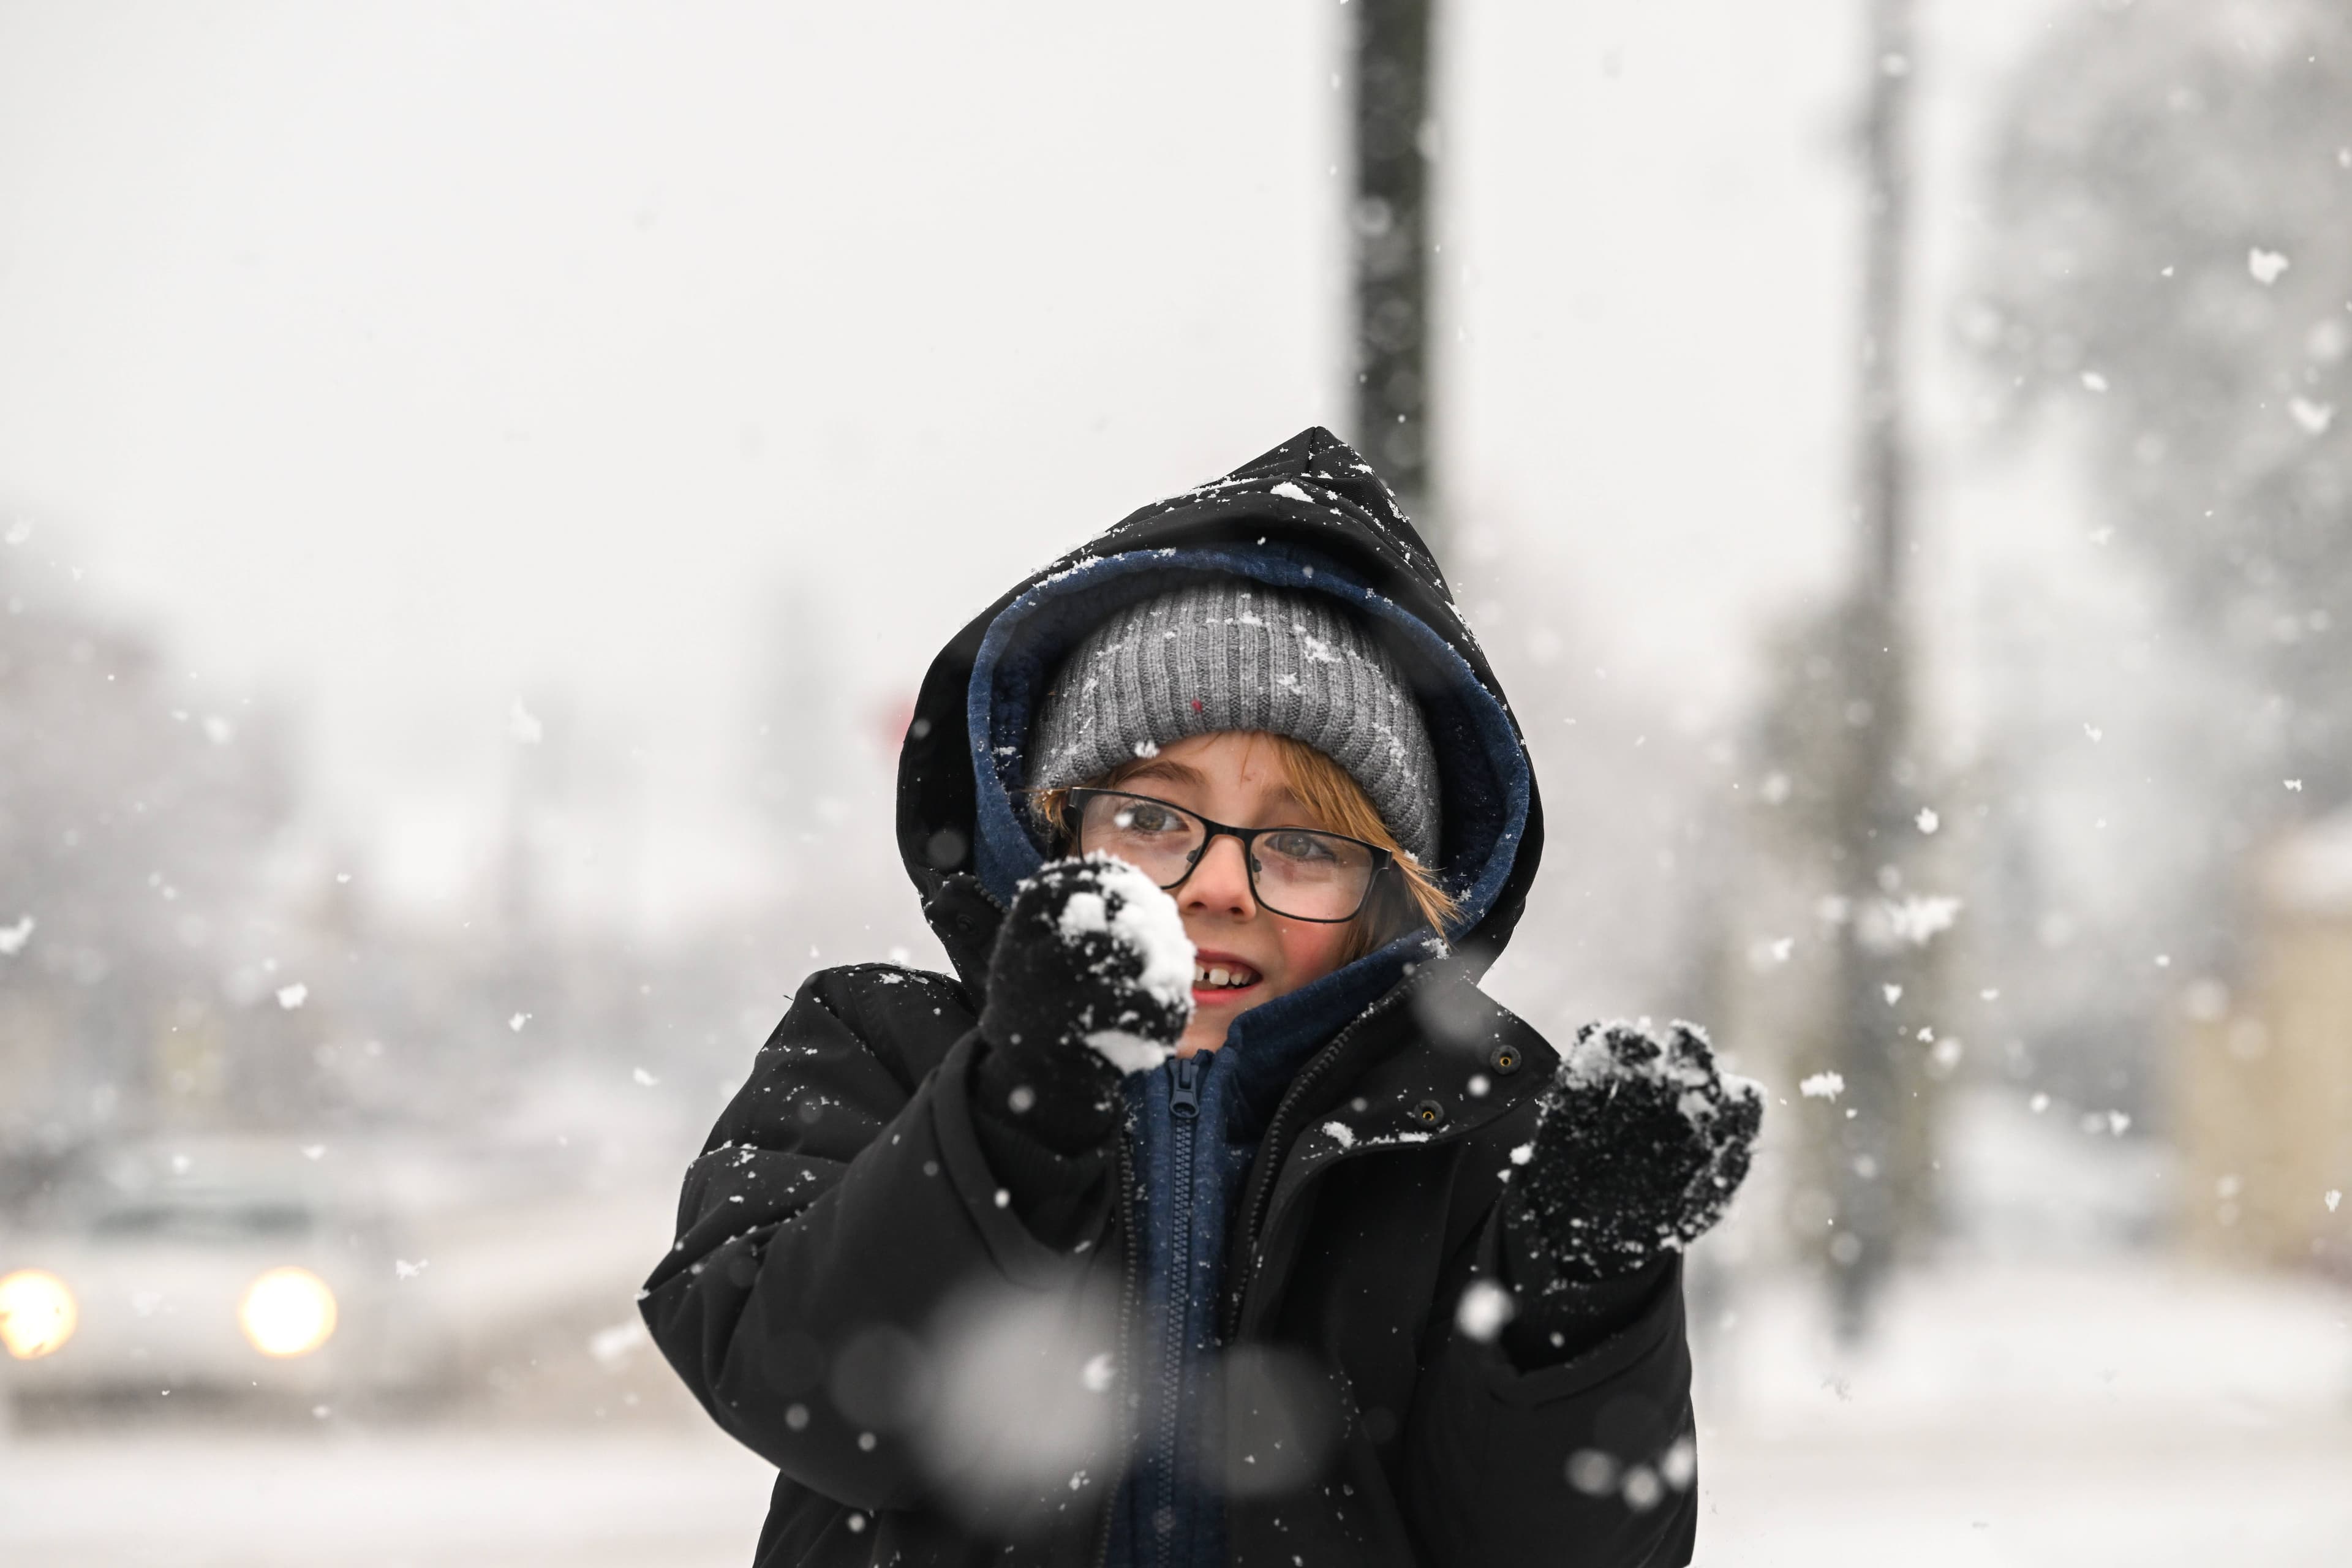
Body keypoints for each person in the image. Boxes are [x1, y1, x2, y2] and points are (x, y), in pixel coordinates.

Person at [641, 427, 1762, 1567]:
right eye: (1154, 819)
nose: (1221, 881)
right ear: (1050, 835)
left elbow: (1562, 1549)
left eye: (1304, 842)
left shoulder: (1472, 1129)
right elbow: (798, 1380)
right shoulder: (881, 1052)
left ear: (1387, 902)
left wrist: (1574, 1296)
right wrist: (1010, 1110)